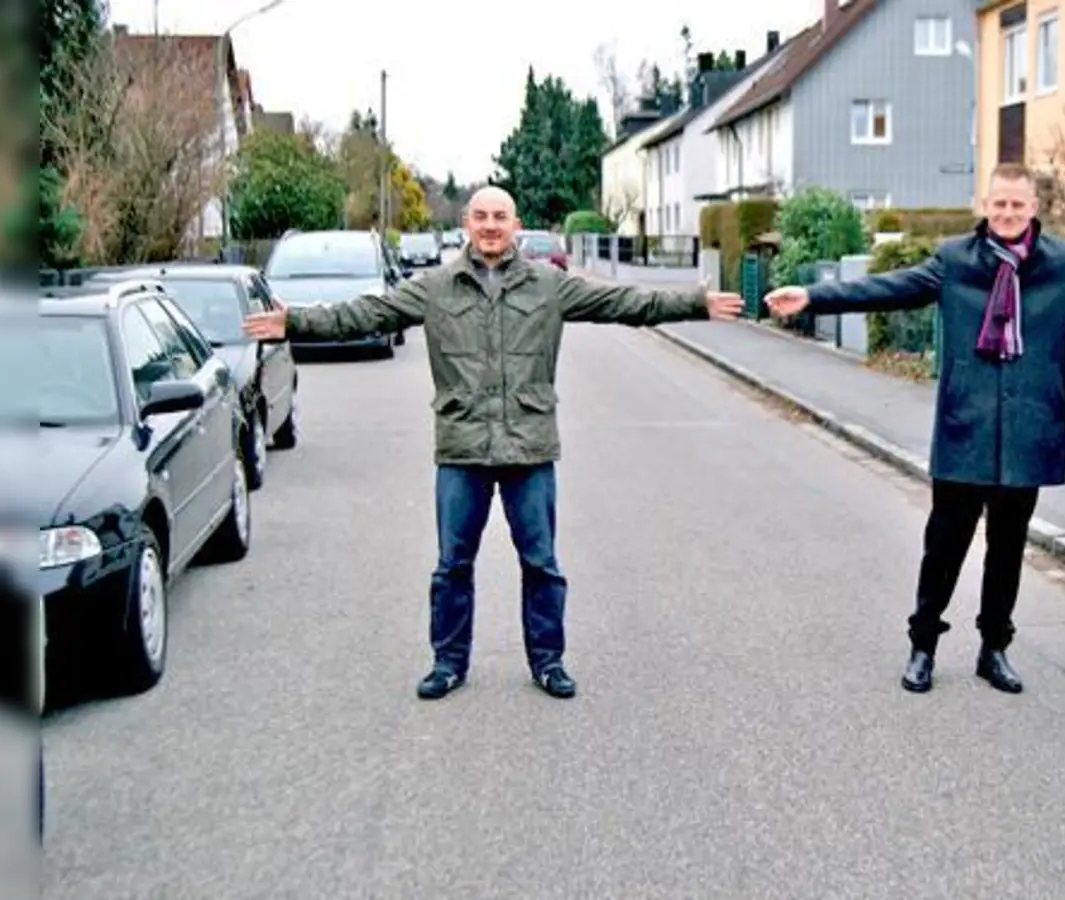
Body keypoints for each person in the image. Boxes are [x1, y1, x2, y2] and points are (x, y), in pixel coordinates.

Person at [762, 163, 1065, 696]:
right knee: (943, 548)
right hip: (964, 429)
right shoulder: (954, 261)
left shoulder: (1063, 265)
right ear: (985, 206)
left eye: (1018, 204)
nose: (1008, 213)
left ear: (1034, 207)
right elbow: (888, 288)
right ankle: (923, 645)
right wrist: (813, 296)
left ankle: (994, 649)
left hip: (1026, 433)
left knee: (1008, 549)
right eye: (999, 204)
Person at [243, 187, 744, 700]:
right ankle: (448, 663)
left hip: (529, 448)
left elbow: (624, 303)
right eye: (481, 216)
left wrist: (696, 303)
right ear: (466, 223)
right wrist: (295, 321)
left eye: (499, 217)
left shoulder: (548, 285)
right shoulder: (435, 287)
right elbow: (369, 313)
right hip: (463, 448)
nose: (489, 225)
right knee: (453, 566)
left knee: (541, 564)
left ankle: (548, 662)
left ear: (515, 224)